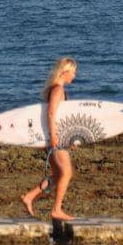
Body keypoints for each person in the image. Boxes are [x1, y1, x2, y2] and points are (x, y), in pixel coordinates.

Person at [21, 57, 78, 221]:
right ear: (65, 72)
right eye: (73, 72)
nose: (74, 76)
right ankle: (56, 209)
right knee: (66, 173)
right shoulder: (58, 90)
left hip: (56, 137)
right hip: (55, 138)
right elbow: (51, 113)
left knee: (58, 175)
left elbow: (59, 117)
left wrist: (68, 139)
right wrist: (54, 136)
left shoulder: (55, 89)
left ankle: (29, 197)